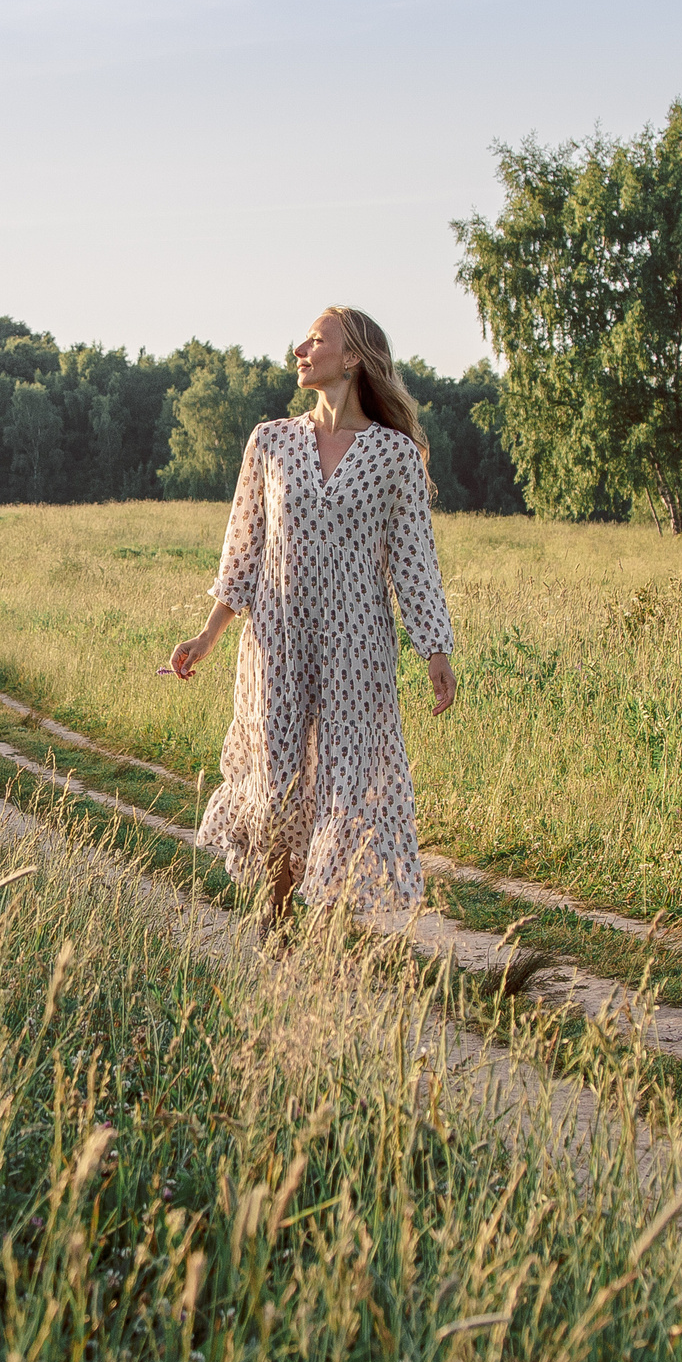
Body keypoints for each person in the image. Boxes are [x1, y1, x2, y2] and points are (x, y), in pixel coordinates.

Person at [168, 305, 456, 929]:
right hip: (275, 638)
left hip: (359, 643)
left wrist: (436, 649)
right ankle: (274, 920)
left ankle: (328, 926)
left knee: (347, 777)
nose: (300, 348)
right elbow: (241, 549)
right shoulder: (268, 441)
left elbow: (415, 561)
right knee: (277, 777)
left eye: (316, 340)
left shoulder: (394, 456)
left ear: (351, 357)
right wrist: (208, 633)